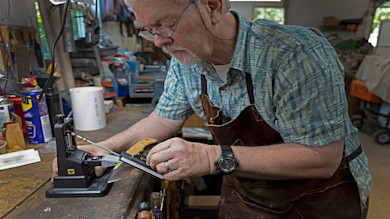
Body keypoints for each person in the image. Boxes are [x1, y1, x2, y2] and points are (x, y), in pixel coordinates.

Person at [53, 0, 372, 217]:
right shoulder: (186, 59)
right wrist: (101, 151)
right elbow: (163, 118)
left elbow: (322, 158)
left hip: (318, 199)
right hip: (248, 194)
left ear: (212, 6)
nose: (158, 42)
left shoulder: (296, 54)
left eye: (165, 25)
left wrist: (209, 157)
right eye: (149, 30)